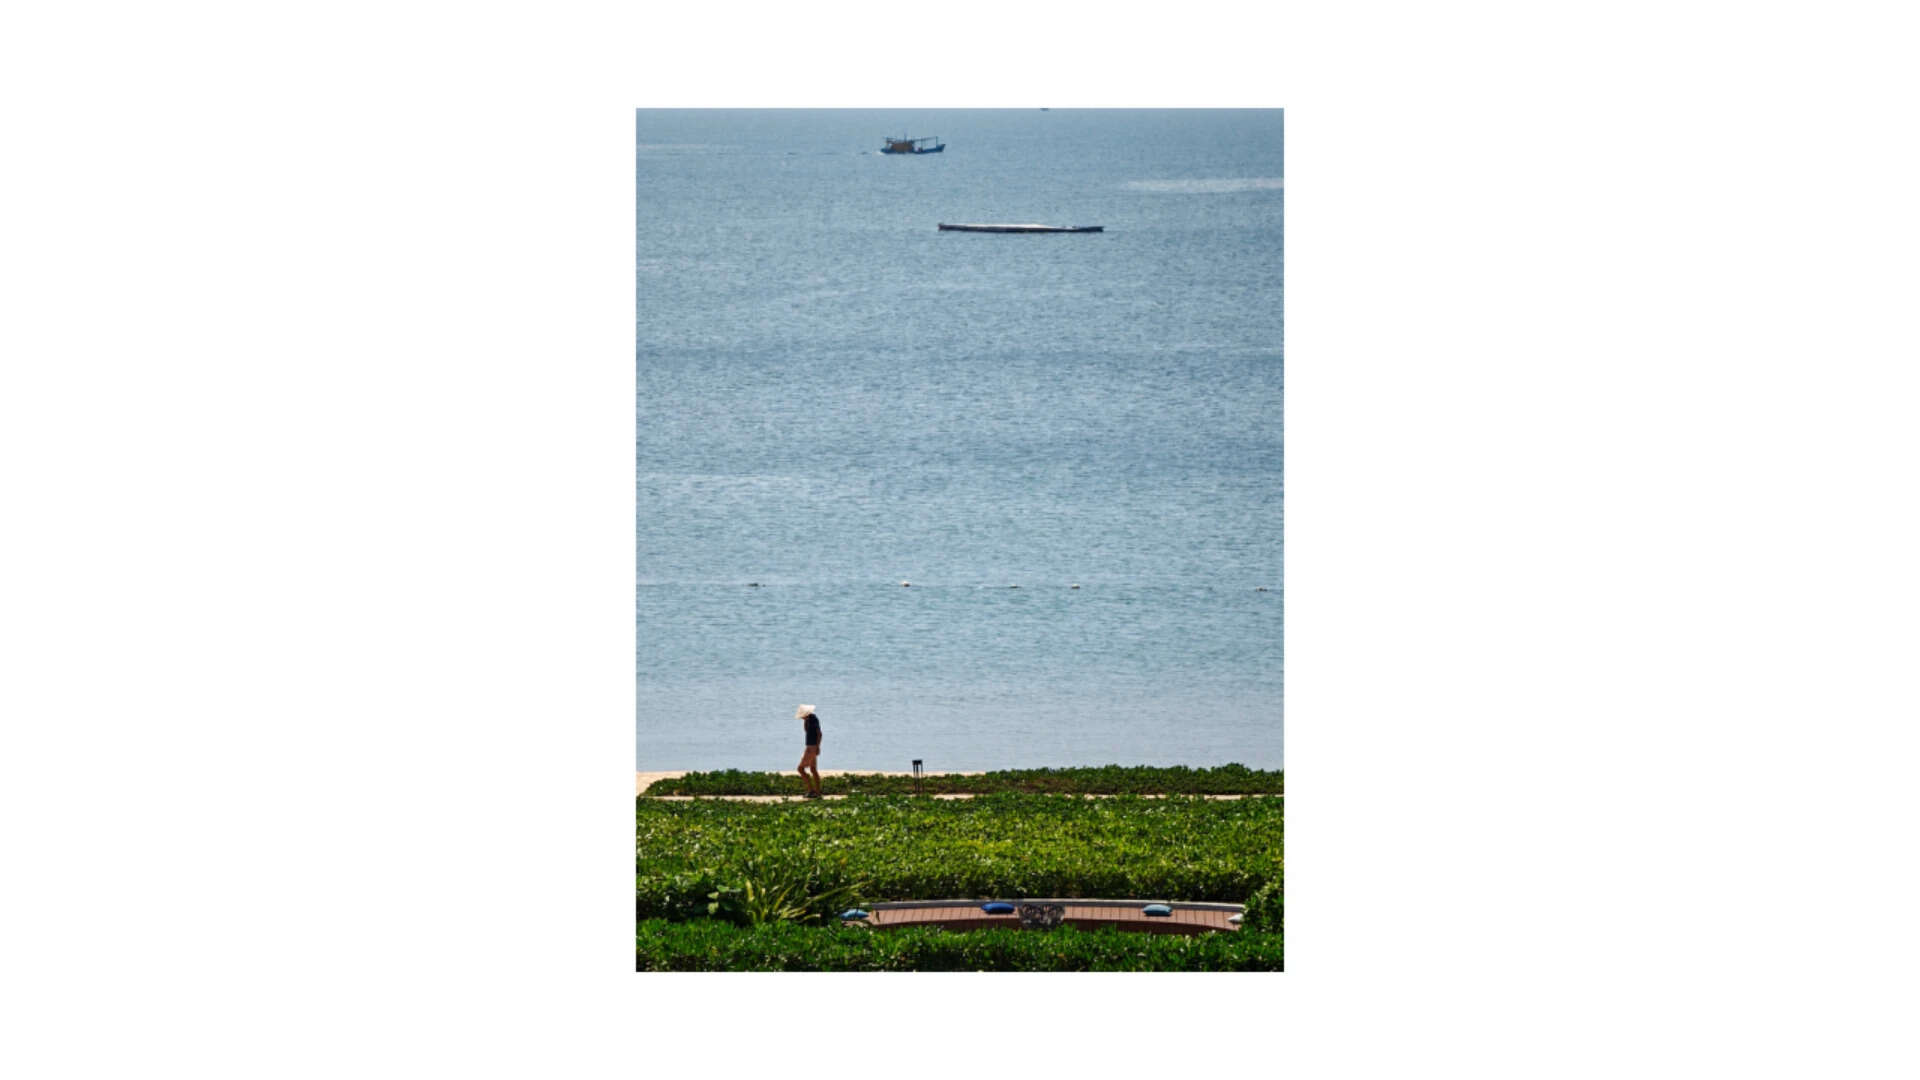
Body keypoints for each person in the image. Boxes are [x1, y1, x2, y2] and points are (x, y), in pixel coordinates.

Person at [795, 705, 823, 799]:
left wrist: (818, 747)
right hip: (811, 746)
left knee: (800, 769)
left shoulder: (813, 719)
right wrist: (805, 722)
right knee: (813, 770)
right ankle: (817, 792)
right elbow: (806, 731)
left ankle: (811, 790)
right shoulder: (809, 720)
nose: (802, 717)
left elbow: (819, 733)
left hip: (811, 747)